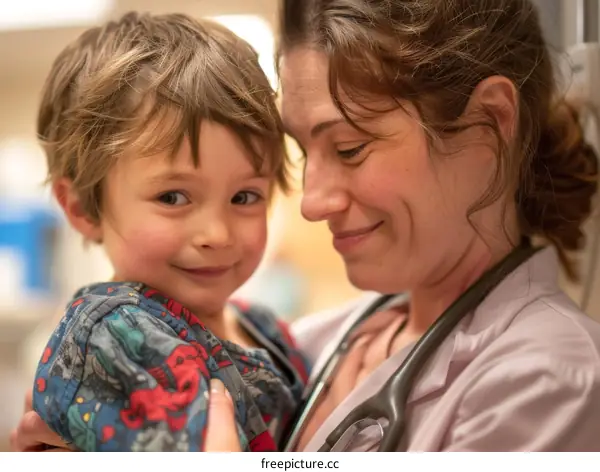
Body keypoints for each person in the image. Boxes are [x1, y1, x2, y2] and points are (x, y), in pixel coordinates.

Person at [12, 0, 600, 452]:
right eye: (301, 151)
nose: (311, 204)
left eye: (348, 148)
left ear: (488, 125)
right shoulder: (308, 347)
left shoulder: (546, 378)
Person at [17, 11, 310, 452]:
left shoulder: (263, 327)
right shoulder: (115, 335)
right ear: (81, 207)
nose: (217, 233)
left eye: (245, 197)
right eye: (173, 198)